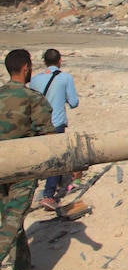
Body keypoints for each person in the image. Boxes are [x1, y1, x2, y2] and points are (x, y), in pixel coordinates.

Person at [0, 49, 55, 270]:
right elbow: (49, 137)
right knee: (12, 220)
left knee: (12, 217)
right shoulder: (33, 98)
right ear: (26, 68)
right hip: (23, 168)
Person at [29, 49, 80, 210]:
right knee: (56, 158)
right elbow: (74, 102)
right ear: (60, 61)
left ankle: (44, 188)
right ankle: (48, 195)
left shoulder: (35, 79)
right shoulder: (65, 78)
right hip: (56, 123)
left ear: (44, 61)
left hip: (38, 123)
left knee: (42, 156)